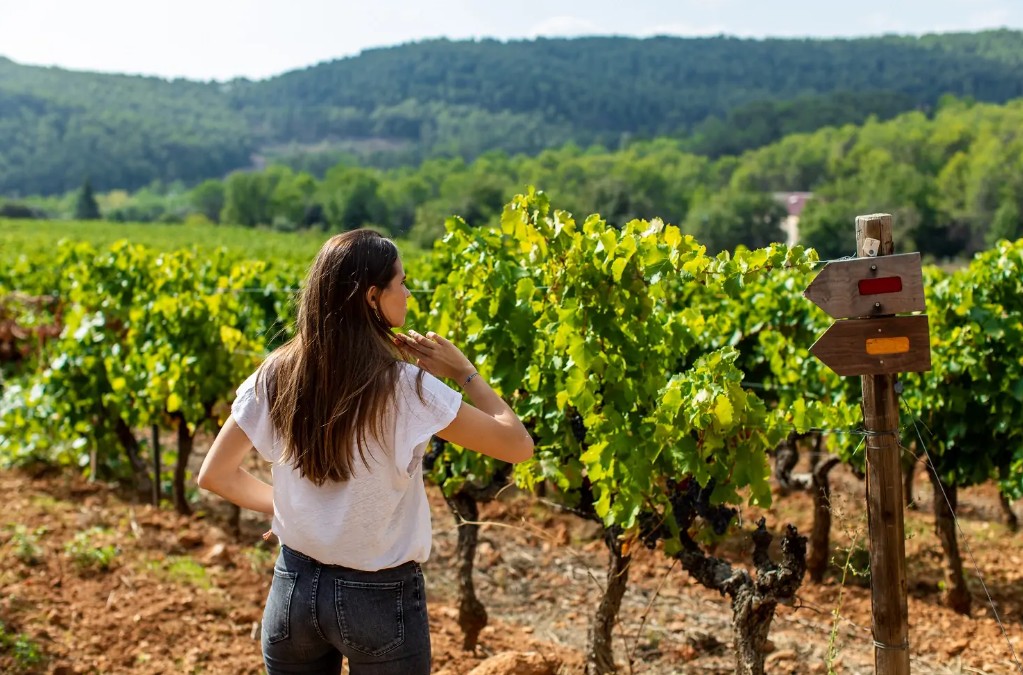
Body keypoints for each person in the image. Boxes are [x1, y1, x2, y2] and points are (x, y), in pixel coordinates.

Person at [197, 229, 534, 675]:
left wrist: (293, 515)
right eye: (402, 283)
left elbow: (216, 475)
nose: (409, 293)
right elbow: (518, 446)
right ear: (373, 297)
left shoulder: (277, 372)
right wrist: (463, 371)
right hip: (378, 599)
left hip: (293, 589)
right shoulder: (407, 388)